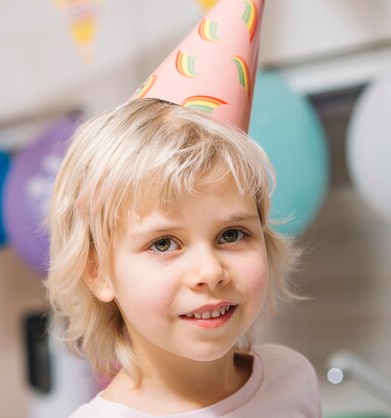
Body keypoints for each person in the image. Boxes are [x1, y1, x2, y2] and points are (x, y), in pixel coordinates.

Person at [45, 97, 321, 417]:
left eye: (231, 234)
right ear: (98, 272)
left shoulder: (291, 378)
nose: (210, 271)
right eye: (164, 244)